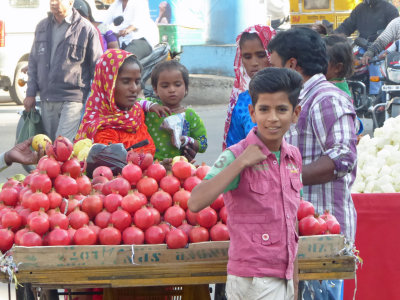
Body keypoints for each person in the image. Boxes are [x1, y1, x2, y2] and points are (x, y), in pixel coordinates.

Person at [188, 67, 303, 300]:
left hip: (286, 275)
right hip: (252, 280)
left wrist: (295, 280)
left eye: (281, 109)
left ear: (295, 113)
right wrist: (241, 163)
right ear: (252, 113)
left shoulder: (293, 157)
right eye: (264, 109)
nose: (272, 118)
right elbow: (195, 201)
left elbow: (292, 222)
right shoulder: (235, 155)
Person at [268, 27, 358, 300]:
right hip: (302, 232)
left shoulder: (325, 98)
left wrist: (287, 176)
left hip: (322, 235)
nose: (270, 73)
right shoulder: (300, 99)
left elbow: (343, 157)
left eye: (273, 65)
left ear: (292, 65)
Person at [23, 0, 103, 142]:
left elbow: (97, 69)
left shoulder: (86, 29)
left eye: (57, 0)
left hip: (72, 99)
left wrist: (98, 101)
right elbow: (33, 62)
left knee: (62, 145)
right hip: (47, 98)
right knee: (48, 146)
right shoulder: (42, 26)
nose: (53, 3)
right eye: (51, 0)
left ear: (70, 2)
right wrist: (30, 94)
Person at [75, 49, 168, 154]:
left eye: (137, 82)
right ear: (108, 84)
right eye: (126, 81)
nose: (134, 88)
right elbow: (116, 166)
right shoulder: (101, 131)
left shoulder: (136, 113)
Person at [222, 25, 276, 150]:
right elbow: (233, 151)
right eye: (247, 57)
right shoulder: (241, 103)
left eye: (261, 55)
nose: (254, 63)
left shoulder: (291, 95)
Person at [145, 60, 207, 161]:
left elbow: (203, 144)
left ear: (186, 87)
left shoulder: (190, 115)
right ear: (155, 89)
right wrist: (151, 105)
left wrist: (187, 140)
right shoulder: (151, 109)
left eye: (177, 85)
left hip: (179, 167)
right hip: (152, 167)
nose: (172, 89)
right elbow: (134, 103)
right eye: (165, 86)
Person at [334, 0, 398, 96]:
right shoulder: (359, 9)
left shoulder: (390, 9)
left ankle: (375, 96)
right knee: (346, 61)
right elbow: (346, 27)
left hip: (383, 48)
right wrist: (332, 37)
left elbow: (392, 33)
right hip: (363, 46)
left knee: (374, 65)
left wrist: (375, 46)